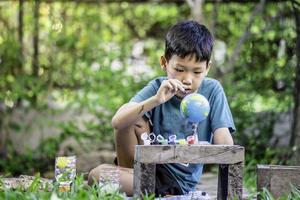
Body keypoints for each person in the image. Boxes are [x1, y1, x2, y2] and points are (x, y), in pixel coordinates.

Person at [88, 20, 235, 197]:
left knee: (97, 176)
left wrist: (215, 145)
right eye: (179, 69)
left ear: (207, 68)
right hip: (145, 169)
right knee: (132, 118)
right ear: (164, 63)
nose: (187, 79)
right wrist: (156, 100)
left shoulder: (212, 91)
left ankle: (145, 190)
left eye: (197, 72)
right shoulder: (158, 87)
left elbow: (225, 142)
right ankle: (133, 182)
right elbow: (117, 122)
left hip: (178, 182)